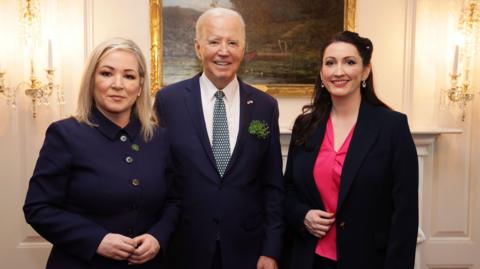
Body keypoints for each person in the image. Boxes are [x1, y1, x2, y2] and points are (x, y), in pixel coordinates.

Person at [23, 37, 180, 269]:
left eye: (129, 76)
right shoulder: (65, 135)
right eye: (107, 73)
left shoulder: (159, 138)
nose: (118, 84)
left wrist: (157, 237)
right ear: (91, 81)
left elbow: (174, 201)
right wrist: (96, 240)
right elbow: (38, 209)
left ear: (140, 86)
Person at [154, 7, 284, 269]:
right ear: (198, 47)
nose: (223, 51)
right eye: (214, 41)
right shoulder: (169, 101)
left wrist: (271, 250)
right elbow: (162, 178)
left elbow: (272, 185)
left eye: (232, 42)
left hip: (247, 249)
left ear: (243, 49)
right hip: (185, 247)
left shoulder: (264, 106)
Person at [283, 31, 418, 269]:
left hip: (368, 260)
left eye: (350, 62)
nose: (338, 72)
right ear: (322, 72)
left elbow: (405, 214)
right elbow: (288, 190)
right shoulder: (304, 125)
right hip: (309, 259)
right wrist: (302, 215)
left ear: (365, 71)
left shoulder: (392, 127)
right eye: (330, 63)